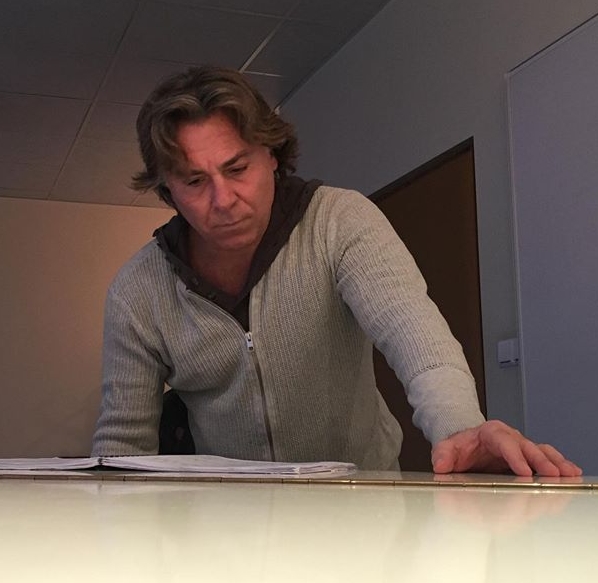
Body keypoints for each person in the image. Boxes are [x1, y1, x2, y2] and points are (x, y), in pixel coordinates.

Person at [92, 65, 581, 477]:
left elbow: (416, 338)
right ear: (168, 192)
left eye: (237, 168)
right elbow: (122, 451)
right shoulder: (138, 291)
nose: (223, 200)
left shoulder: (339, 221)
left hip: (361, 501)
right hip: (230, 519)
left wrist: (461, 429)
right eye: (195, 181)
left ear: (272, 155)